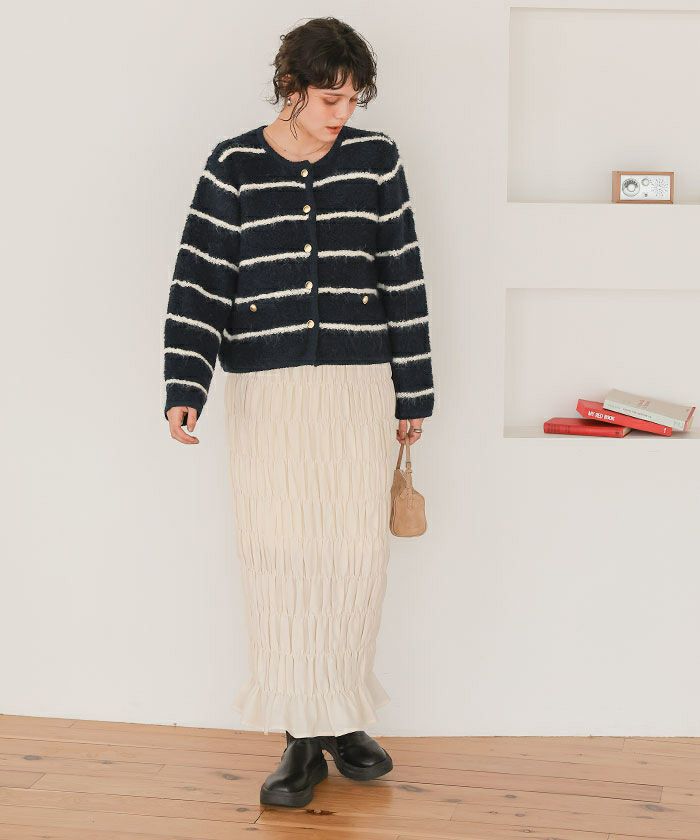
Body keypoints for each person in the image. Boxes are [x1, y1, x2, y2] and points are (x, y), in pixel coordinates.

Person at [163, 16, 435, 808]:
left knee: (354, 560)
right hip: (269, 394)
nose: (341, 114)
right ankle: (299, 737)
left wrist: (413, 392)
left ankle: (342, 715)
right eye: (328, 99)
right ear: (291, 87)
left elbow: (402, 273)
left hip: (357, 388)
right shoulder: (234, 165)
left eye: (351, 100)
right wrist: (185, 384)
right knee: (281, 559)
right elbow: (200, 276)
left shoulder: (377, 159)